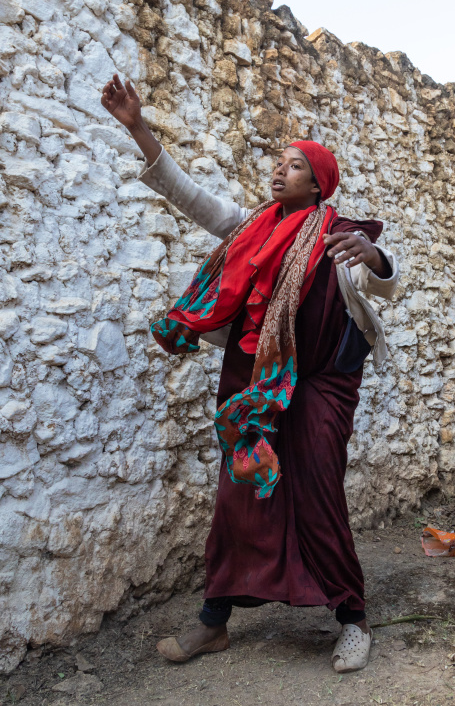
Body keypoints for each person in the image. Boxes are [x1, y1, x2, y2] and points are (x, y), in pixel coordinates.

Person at [101, 74, 399, 673]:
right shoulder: (250, 227)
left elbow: (381, 281)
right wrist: (138, 128)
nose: (278, 171)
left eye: (293, 166)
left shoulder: (340, 239)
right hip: (254, 383)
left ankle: (351, 618)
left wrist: (376, 257)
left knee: (317, 492)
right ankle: (214, 622)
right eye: (278, 163)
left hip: (320, 386)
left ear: (318, 183)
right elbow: (189, 196)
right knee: (238, 492)